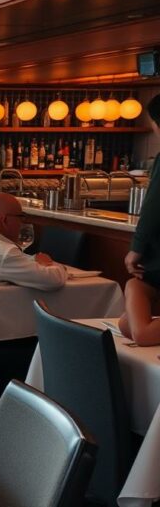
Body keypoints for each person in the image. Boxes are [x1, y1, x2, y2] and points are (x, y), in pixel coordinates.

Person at [119, 94, 160, 345]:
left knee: (136, 330)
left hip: (154, 264)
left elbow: (154, 206)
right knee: (127, 324)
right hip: (150, 278)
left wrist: (136, 248)